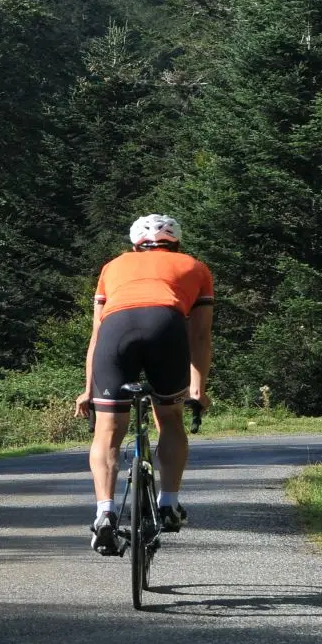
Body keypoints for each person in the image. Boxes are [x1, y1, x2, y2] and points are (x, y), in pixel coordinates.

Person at [75, 213, 214, 555]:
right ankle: (168, 503)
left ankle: (105, 513)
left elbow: (96, 336)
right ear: (176, 242)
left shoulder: (113, 267)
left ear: (135, 245)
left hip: (116, 331)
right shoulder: (195, 267)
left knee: (107, 429)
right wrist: (198, 387)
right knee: (169, 418)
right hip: (164, 325)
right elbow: (199, 334)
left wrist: (88, 389)